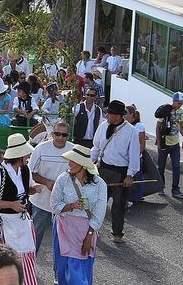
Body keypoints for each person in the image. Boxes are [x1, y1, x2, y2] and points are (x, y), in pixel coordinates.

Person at [0, 133, 42, 285]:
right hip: (2, 222)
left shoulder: (25, 169)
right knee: (4, 261)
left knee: (25, 255)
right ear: (19, 155)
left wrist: (34, 189)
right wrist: (11, 204)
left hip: (19, 222)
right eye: (26, 153)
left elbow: (26, 189)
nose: (28, 156)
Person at [51, 145, 107, 285]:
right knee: (63, 267)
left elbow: (99, 214)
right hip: (63, 228)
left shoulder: (99, 184)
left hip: (86, 230)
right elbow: (54, 205)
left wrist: (88, 237)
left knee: (79, 272)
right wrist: (71, 206)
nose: (69, 164)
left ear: (83, 165)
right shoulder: (63, 179)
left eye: (73, 161)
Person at [90, 100, 140, 243]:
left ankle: (117, 232)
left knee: (118, 205)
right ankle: (92, 230)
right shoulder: (102, 127)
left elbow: (134, 155)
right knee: (98, 203)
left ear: (118, 116)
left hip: (121, 173)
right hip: (103, 169)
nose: (107, 116)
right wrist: (88, 163)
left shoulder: (131, 131)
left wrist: (130, 175)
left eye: (110, 114)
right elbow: (96, 148)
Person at [29, 122, 74, 252]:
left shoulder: (73, 150)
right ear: (52, 134)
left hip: (64, 202)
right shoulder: (41, 149)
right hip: (41, 200)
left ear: (68, 136)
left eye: (64, 135)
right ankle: (30, 265)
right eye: (57, 134)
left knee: (63, 238)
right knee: (36, 234)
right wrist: (47, 182)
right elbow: (31, 173)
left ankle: (60, 269)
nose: (60, 137)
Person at [156, 92, 183, 198]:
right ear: (174, 101)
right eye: (179, 103)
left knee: (176, 166)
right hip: (164, 142)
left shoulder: (182, 112)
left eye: (182, 103)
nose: (180, 105)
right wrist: (159, 142)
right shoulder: (165, 110)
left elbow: (180, 126)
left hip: (175, 144)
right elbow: (158, 126)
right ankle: (161, 187)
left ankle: (175, 189)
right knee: (161, 166)